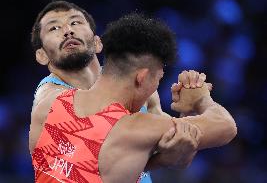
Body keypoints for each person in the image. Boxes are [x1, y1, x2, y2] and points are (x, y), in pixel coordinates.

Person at [29, 11, 236, 183]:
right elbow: (226, 126)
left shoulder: (48, 102)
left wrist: (184, 119)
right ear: (142, 78)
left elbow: (106, 156)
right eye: (159, 79)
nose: (156, 86)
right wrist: (201, 98)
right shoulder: (134, 129)